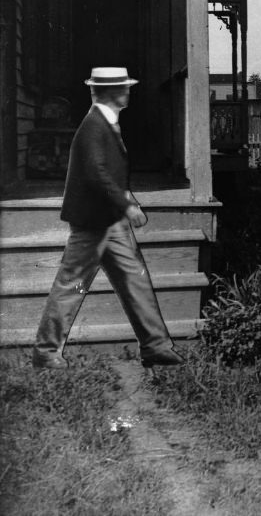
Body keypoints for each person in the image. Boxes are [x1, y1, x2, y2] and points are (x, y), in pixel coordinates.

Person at [32, 67, 184, 369]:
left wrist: (128, 198)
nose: (128, 92)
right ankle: (46, 351)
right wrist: (126, 206)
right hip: (92, 224)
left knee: (134, 280)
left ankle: (155, 346)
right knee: (74, 285)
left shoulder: (107, 123)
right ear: (110, 93)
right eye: (123, 88)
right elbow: (97, 174)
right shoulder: (93, 126)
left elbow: (112, 173)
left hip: (111, 223)